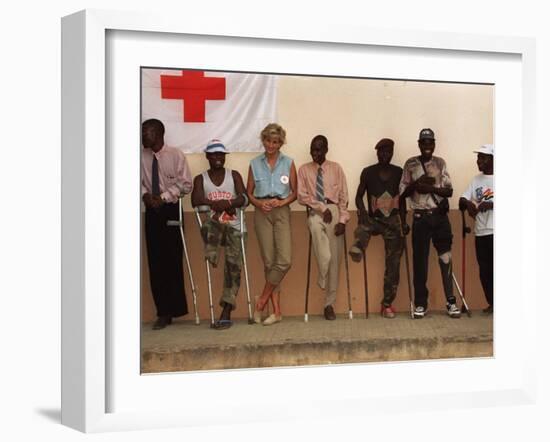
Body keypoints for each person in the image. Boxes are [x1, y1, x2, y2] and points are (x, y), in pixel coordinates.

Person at [399, 128, 461, 319]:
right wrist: (417, 184)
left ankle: (450, 302)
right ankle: (420, 303)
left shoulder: (440, 163)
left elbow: (449, 191)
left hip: (440, 217)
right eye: (424, 142)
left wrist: (428, 187)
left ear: (434, 144)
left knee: (446, 259)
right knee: (420, 262)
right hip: (420, 218)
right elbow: (402, 193)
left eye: (430, 142)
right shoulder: (410, 164)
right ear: (419, 144)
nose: (427, 146)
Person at [141, 118, 193, 330]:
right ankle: (162, 312)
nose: (143, 135)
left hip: (170, 208)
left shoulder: (175, 155)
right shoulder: (139, 157)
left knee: (172, 259)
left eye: (147, 131)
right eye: (142, 131)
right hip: (151, 211)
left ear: (158, 133)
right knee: (155, 261)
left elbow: (186, 184)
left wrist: (163, 196)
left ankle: (176, 308)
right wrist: (145, 195)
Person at [191, 139, 248, 330]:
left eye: (221, 155)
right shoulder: (201, 178)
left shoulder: (234, 175)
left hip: (234, 229)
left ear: (225, 157)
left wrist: (229, 203)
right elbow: (195, 199)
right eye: (213, 154)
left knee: (233, 265)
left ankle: (226, 311)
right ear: (207, 156)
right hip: (214, 229)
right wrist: (216, 204)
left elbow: (244, 198)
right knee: (210, 225)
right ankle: (212, 250)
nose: (217, 158)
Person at [247, 123, 297, 325]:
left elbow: (295, 192)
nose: (271, 145)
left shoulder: (289, 162)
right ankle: (276, 312)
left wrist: (281, 202)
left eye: (275, 141)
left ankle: (261, 302)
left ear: (280, 143)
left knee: (284, 260)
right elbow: (248, 192)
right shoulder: (254, 163)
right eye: (268, 140)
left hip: (282, 210)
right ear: (263, 140)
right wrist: (259, 203)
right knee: (269, 262)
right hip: (261, 212)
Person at [348, 138, 404, 318]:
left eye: (388, 152)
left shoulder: (399, 172)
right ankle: (358, 246)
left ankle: (386, 304)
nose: (385, 155)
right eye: (381, 151)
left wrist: (405, 221)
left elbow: (403, 200)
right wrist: (362, 210)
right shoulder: (368, 172)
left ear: (392, 153)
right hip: (374, 219)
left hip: (393, 220)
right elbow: (358, 196)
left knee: (393, 265)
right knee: (363, 226)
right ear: (377, 152)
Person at [297, 135, 350, 320]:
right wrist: (321, 207)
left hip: (334, 211)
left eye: (318, 149)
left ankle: (329, 304)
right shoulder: (304, 170)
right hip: (317, 211)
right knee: (313, 225)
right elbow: (301, 196)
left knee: (335, 259)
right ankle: (323, 269)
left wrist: (342, 221)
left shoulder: (336, 168)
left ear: (326, 149)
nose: (314, 153)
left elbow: (343, 197)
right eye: (312, 149)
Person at [459, 144, 494, 314]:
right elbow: (463, 198)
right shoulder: (476, 180)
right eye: (478, 157)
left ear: (492, 160)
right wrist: (468, 204)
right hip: (481, 232)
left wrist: (492, 203)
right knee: (485, 270)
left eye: (483, 157)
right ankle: (492, 303)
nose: (478, 161)